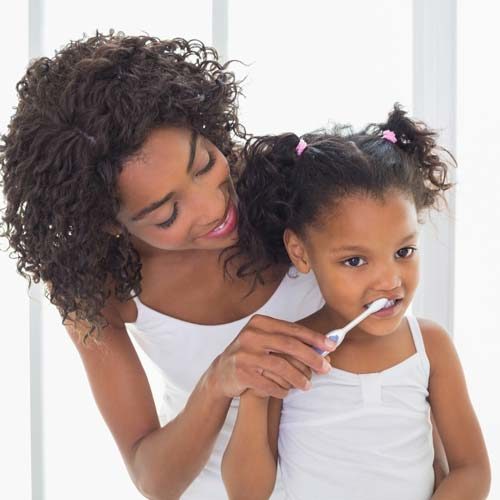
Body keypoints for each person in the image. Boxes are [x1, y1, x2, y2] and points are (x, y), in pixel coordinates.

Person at [0, 31, 448, 499]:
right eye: (167, 213)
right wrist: (219, 381)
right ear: (109, 223)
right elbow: (153, 479)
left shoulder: (292, 194)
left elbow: (406, 376)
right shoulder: (98, 290)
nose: (213, 208)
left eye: (204, 163)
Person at [221, 106, 491, 500]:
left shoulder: (429, 346)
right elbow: (247, 492)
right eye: (355, 261)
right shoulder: (287, 353)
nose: (390, 281)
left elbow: (472, 470)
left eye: (404, 251)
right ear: (300, 252)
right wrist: (255, 394)